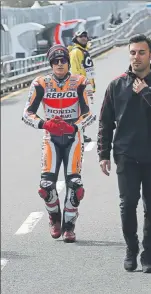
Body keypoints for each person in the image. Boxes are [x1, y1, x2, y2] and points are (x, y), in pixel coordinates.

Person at [97, 34, 151, 273]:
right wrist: (103, 154)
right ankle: (131, 250)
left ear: (150, 55)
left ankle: (148, 255)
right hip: (126, 155)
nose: (136, 57)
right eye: (132, 52)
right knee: (127, 203)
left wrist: (146, 93)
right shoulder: (116, 84)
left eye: (141, 52)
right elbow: (105, 121)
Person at [22, 45, 94, 243]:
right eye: (56, 61)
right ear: (51, 63)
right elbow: (26, 113)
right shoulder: (40, 83)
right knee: (46, 186)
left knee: (75, 185)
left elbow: (89, 114)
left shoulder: (80, 81)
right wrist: (44, 123)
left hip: (73, 137)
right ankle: (54, 217)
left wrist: (74, 127)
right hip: (51, 137)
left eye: (63, 60)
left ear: (68, 63)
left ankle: (69, 225)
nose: (60, 64)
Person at [69, 30, 96, 143]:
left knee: (83, 111)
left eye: (85, 36)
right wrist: (81, 85)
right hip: (80, 86)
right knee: (80, 111)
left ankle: (79, 134)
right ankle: (78, 134)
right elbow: (76, 71)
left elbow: (89, 70)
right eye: (81, 36)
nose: (84, 38)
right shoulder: (76, 52)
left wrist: (91, 86)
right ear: (76, 38)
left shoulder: (84, 51)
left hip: (86, 86)